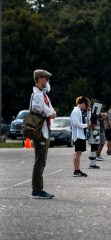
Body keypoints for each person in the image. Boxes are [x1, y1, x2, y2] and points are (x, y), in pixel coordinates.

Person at [31, 69, 56, 199]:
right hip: (40, 131)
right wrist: (50, 113)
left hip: (45, 130)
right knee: (40, 161)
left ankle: (38, 189)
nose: (47, 81)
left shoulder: (43, 95)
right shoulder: (37, 95)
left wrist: (51, 113)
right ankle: (37, 190)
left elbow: (51, 110)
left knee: (42, 161)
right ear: (40, 79)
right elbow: (47, 112)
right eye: (46, 78)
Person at [70, 96, 91, 177]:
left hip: (80, 135)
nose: (86, 106)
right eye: (86, 104)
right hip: (78, 135)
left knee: (77, 153)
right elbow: (75, 123)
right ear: (82, 103)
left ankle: (77, 170)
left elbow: (87, 120)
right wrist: (86, 125)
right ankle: (77, 170)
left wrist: (88, 111)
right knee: (78, 154)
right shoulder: (76, 111)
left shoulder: (79, 111)